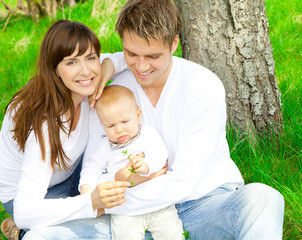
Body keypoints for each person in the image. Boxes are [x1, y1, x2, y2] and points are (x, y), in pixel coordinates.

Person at [86, 0, 285, 239]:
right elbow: (94, 169)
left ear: (174, 43)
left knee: (264, 199)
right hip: (129, 216)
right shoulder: (114, 92)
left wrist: (113, 193)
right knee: (46, 234)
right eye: (130, 54)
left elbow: (184, 182)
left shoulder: (202, 86)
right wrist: (112, 61)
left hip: (202, 205)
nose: (141, 66)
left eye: (152, 56)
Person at [0, 20, 132, 240]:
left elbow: (126, 57)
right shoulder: (44, 122)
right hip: (36, 196)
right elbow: (25, 211)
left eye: (91, 58)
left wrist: (108, 65)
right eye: (71, 62)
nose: (86, 70)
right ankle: (21, 231)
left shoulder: (86, 79)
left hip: (71, 171)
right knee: (99, 220)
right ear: (54, 69)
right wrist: (90, 202)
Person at [80, 85, 184, 240]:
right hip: (125, 211)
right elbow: (91, 168)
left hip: (159, 204)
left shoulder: (147, 134)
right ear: (103, 125)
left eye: (124, 121)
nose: (119, 129)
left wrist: (146, 166)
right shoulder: (105, 147)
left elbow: (160, 153)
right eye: (111, 125)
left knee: (172, 233)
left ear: (138, 115)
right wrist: (87, 188)